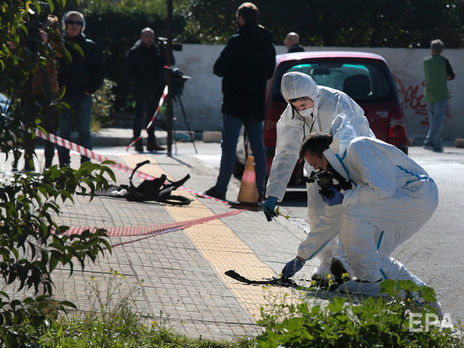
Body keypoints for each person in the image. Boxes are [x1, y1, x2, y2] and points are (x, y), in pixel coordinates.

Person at [282, 114, 439, 298]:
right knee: (374, 253)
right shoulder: (344, 171)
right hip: (408, 199)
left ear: (325, 153)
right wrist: (301, 257)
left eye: (316, 164)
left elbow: (383, 189)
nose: (318, 171)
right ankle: (422, 298)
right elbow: (330, 221)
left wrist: (345, 197)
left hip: (416, 192)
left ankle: (372, 282)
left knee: (355, 216)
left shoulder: (358, 147)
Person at [263, 71, 375, 281]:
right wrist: (274, 193)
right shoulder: (291, 117)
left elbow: (355, 138)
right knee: (316, 213)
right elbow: (285, 153)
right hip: (317, 169)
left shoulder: (337, 101)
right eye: (297, 105)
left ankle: (344, 262)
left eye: (305, 102)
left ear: (314, 94)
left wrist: (344, 174)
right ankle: (325, 263)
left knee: (350, 213)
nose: (302, 108)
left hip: (351, 165)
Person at [203, 2, 276, 201]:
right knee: (258, 147)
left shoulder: (236, 41)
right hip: (255, 102)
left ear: (241, 18)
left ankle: (221, 188)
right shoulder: (267, 43)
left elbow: (219, 69)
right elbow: (270, 72)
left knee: (228, 146)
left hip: (234, 101)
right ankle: (260, 192)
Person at [57, 11, 104, 167]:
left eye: (78, 23)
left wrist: (89, 90)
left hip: (83, 95)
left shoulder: (89, 46)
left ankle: (85, 166)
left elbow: (98, 71)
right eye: (71, 22)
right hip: (63, 96)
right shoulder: (57, 44)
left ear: (82, 26)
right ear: (65, 24)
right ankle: (64, 166)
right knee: (63, 132)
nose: (74, 25)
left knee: (85, 133)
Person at [126, 27, 168, 152]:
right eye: (146, 36)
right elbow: (129, 70)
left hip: (155, 88)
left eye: (151, 36)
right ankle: (137, 141)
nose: (149, 39)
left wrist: (165, 52)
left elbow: (168, 63)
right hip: (141, 88)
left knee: (152, 116)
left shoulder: (157, 50)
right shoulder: (136, 51)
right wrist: (138, 82)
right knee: (139, 116)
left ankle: (151, 142)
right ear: (142, 37)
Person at [423, 39, 455, 153]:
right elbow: (451, 75)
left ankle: (437, 145)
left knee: (433, 121)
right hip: (441, 93)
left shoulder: (426, 62)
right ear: (441, 50)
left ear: (431, 49)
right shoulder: (443, 61)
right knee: (438, 121)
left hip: (429, 94)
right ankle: (429, 141)